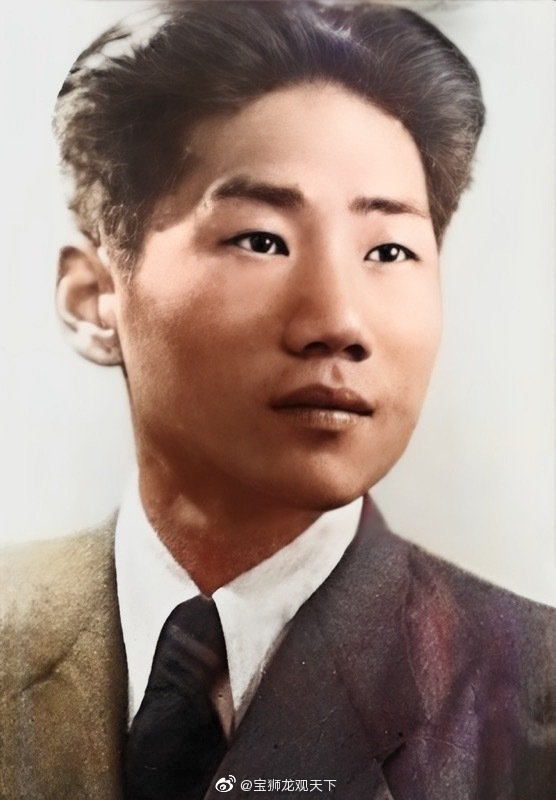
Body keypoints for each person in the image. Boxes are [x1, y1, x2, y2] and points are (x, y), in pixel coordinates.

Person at [1, 2, 554, 798]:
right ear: (95, 300)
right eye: (261, 240)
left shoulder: (531, 706)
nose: (338, 322)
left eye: (388, 250)